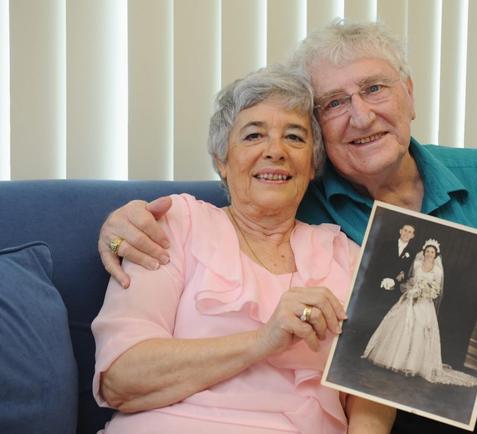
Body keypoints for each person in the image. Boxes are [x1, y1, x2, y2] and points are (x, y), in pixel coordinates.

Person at [97, 20, 477, 434]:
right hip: (420, 416)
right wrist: (119, 227)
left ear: (408, 92)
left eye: (374, 90)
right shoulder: (293, 207)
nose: (360, 116)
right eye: (335, 103)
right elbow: (244, 195)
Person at [91, 65, 394, 434]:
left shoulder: (344, 255)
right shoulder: (175, 224)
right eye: (253, 136)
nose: (276, 151)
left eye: (295, 138)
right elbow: (120, 380)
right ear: (222, 160)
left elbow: (372, 391)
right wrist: (263, 341)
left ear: (313, 164)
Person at [363, 239, 477, 387]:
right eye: (428, 251)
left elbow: (437, 290)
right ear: (424, 252)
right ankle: (393, 360)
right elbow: (411, 280)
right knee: (402, 327)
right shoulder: (417, 265)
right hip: (411, 299)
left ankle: (412, 365)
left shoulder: (437, 270)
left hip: (425, 303)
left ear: (436, 254)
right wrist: (412, 290)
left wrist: (424, 293)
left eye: (432, 252)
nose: (430, 254)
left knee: (418, 331)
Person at [377, 224, 416, 291]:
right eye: (405, 230)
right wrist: (385, 279)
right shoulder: (387, 244)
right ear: (400, 231)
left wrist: (398, 278)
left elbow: (408, 270)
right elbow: (378, 263)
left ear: (412, 236)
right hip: (380, 282)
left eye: (409, 232)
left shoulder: (412, 253)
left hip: (395, 287)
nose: (406, 233)